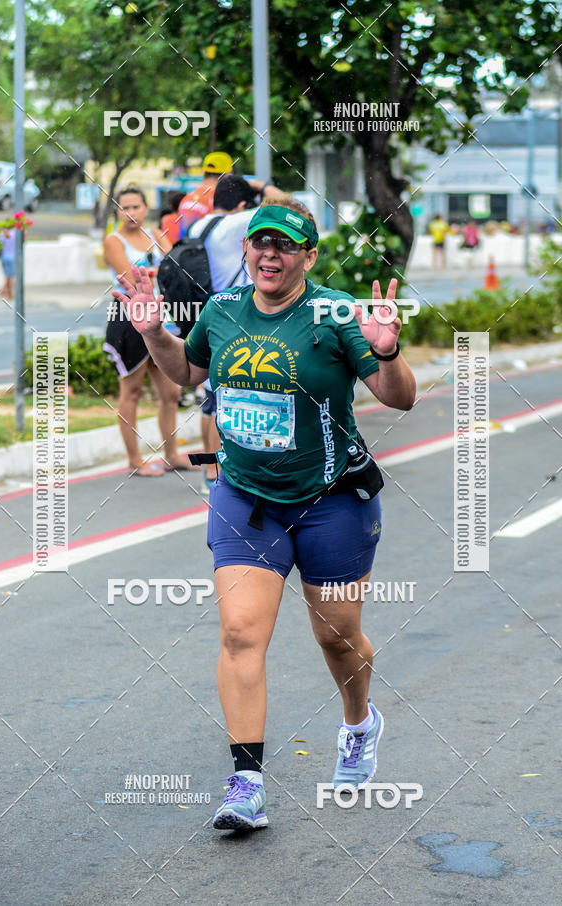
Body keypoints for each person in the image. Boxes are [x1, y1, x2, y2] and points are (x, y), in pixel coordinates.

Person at [113, 197, 416, 831]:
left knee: (337, 637)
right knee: (240, 632)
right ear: (247, 250)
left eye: (285, 245)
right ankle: (246, 783)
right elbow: (186, 370)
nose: (270, 254)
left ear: (308, 256)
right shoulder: (223, 309)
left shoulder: (335, 313)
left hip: (332, 499)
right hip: (246, 497)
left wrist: (387, 354)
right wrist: (154, 333)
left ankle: (359, 723)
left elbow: (400, 399)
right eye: (261, 242)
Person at [188, 174, 283, 495]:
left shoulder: (199, 226)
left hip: (206, 317)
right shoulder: (235, 224)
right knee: (230, 400)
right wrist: (261, 185)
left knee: (210, 401)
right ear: (243, 205)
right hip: (235, 319)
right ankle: (226, 474)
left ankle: (210, 471)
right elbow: (286, 205)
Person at [103, 186, 195, 476]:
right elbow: (131, 278)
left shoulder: (155, 235)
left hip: (161, 319)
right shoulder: (114, 240)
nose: (131, 213)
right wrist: (160, 275)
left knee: (171, 392)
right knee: (131, 391)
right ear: (117, 211)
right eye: (125, 207)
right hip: (130, 317)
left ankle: (171, 454)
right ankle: (135, 460)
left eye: (136, 206)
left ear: (146, 208)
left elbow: (176, 268)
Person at [177, 151, 233, 237]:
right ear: (227, 174)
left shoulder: (186, 199)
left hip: (187, 244)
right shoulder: (221, 198)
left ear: (204, 172)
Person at [0, 228, 15, 299]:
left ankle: (6, 292)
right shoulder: (15, 233)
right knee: (11, 277)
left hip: (4, 257)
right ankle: (7, 292)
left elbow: (0, 246)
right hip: (12, 257)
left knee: (8, 276)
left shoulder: (3, 233)